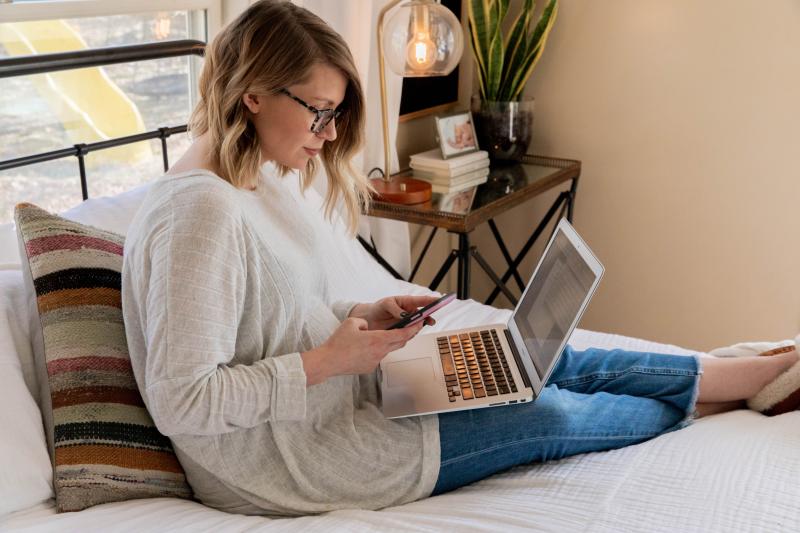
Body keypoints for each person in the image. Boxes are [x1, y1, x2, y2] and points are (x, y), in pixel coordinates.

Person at [121, 0, 800, 517]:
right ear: (254, 94)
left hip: (348, 391)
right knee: (552, 413)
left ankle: (747, 372)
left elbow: (268, 312)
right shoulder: (197, 214)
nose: (327, 137)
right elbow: (185, 400)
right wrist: (331, 360)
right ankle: (721, 409)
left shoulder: (254, 173)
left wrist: (362, 312)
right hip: (294, 455)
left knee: (532, 356)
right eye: (320, 113)